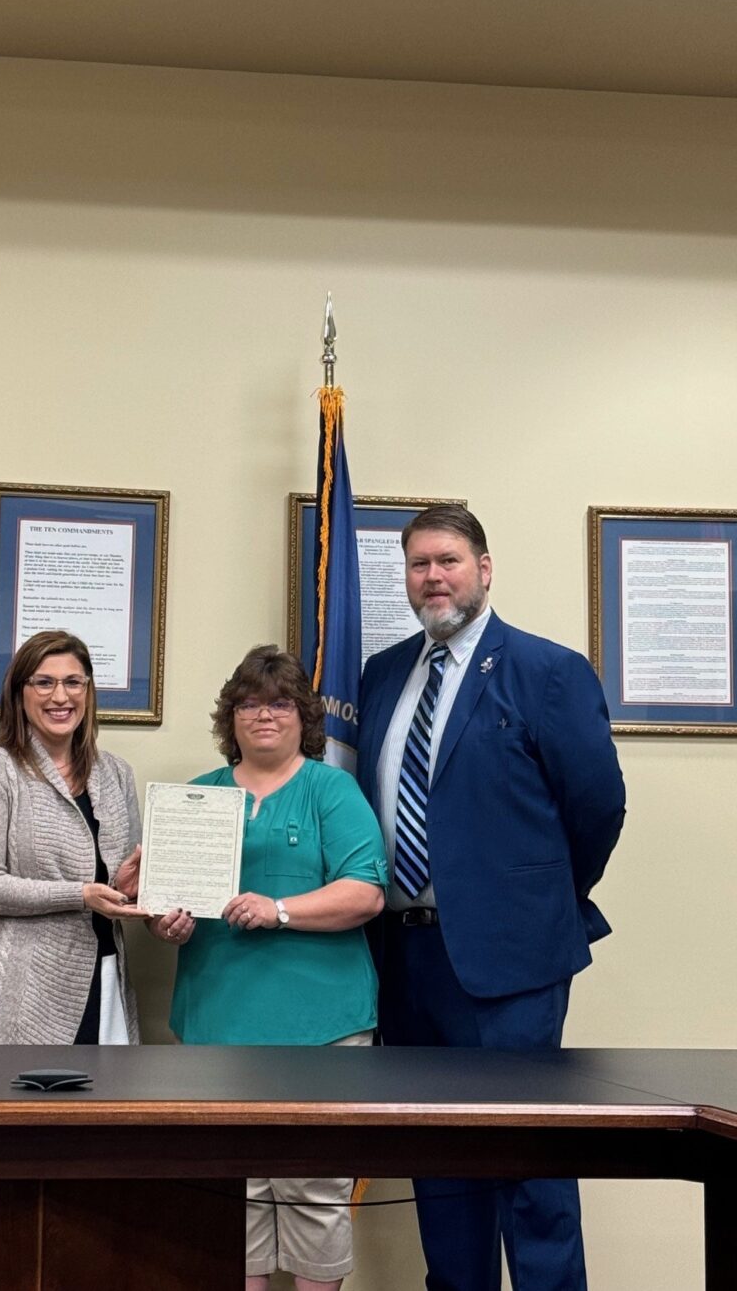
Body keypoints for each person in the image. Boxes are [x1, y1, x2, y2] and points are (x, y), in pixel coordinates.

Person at [358, 505, 626, 1291]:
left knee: (528, 1162)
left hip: (512, 957)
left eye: (447, 559)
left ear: (484, 566)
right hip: (406, 956)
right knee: (439, 1164)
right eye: (418, 564)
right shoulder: (381, 674)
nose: (433, 577)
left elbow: (598, 805)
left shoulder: (546, 669)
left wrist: (536, 896)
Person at [153, 645, 386, 1291]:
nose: (263, 715)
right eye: (250, 703)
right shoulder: (196, 797)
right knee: (235, 1192)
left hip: (322, 1029)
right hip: (217, 1023)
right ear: (231, 716)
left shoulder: (330, 788)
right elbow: (168, 908)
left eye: (279, 703)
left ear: (302, 716)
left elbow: (366, 891)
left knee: (314, 1189)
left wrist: (279, 908)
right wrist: (160, 920)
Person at [0, 629, 145, 1044]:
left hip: (105, 977)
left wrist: (130, 890)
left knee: (105, 1105)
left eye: (74, 682)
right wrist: (80, 895)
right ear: (20, 693)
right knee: (22, 1108)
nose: (61, 696)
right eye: (44, 682)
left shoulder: (115, 775)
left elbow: (116, 888)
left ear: (89, 692)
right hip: (20, 994)